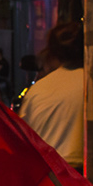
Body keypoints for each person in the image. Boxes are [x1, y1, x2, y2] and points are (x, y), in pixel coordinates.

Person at [20, 20, 85, 169]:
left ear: (51, 54)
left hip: (49, 174)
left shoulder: (37, 91)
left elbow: (24, 138)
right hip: (87, 179)